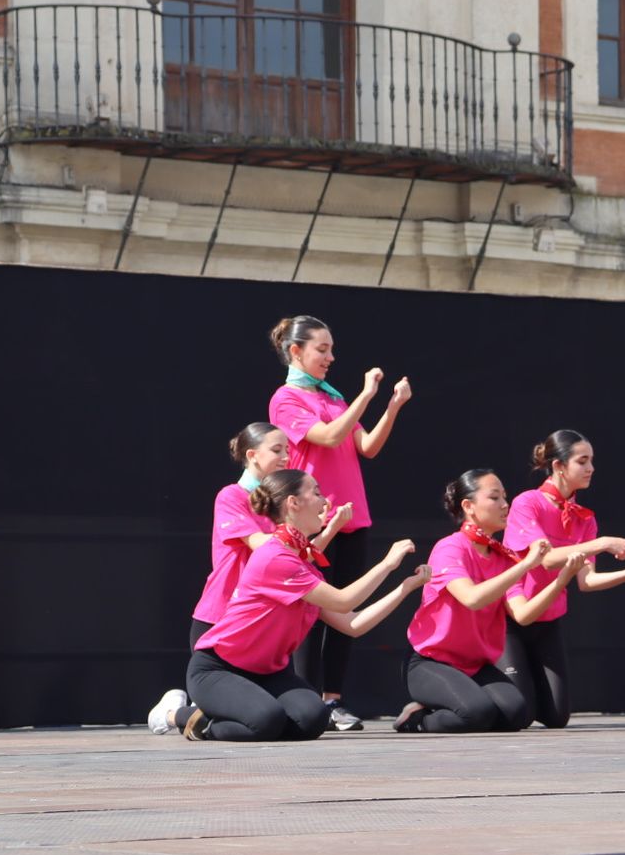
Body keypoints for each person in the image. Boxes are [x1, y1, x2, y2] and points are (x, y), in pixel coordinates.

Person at [169, 469, 426, 742]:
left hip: (268, 674)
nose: (325, 501)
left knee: (312, 719)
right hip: (219, 670)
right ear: (293, 503)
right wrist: (387, 564)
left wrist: (405, 587)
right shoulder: (275, 558)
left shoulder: (303, 567)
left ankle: (251, 712)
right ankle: (182, 716)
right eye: (316, 493)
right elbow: (343, 600)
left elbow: (352, 624)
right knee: (265, 721)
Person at [147, 422, 351, 734]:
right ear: (252, 455)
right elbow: (268, 550)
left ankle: (216, 717)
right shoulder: (231, 496)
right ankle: (175, 715)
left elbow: (296, 561)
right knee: (256, 715)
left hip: (257, 622)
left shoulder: (282, 509)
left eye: (287, 450)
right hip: (221, 617)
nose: (286, 457)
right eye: (277, 450)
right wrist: (302, 530)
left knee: (292, 716)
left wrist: (325, 529)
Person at [268, 314, 412, 731]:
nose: (330, 357)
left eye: (331, 349)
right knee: (311, 611)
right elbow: (329, 437)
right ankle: (305, 698)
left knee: (346, 605)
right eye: (322, 349)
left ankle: (333, 700)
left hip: (352, 516)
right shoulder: (286, 399)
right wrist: (365, 395)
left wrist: (392, 405)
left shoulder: (333, 397)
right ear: (296, 351)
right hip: (313, 521)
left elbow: (366, 446)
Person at [393, 470, 587, 734]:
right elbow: (472, 598)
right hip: (430, 662)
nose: (505, 504)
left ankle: (453, 706)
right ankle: (416, 719)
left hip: (474, 666)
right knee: (476, 713)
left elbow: (523, 614)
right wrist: (525, 565)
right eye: (495, 498)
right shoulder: (450, 547)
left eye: (505, 497)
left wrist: (561, 580)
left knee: (517, 714)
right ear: (468, 506)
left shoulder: (502, 558)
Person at [499, 429, 625, 728]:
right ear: (559, 466)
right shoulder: (528, 503)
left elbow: (587, 582)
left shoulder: (584, 518)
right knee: (517, 714)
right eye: (582, 461)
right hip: (513, 616)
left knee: (556, 717)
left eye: (591, 461)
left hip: (547, 619)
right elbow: (545, 559)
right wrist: (601, 543)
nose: (591, 468)